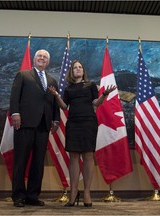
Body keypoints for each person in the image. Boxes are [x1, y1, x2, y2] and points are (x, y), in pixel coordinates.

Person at [48, 60, 116, 207]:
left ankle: (86, 192)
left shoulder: (90, 85)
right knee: (73, 156)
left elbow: (96, 103)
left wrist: (104, 94)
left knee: (88, 155)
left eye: (80, 67)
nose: (78, 69)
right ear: (72, 72)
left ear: (83, 71)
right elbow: (64, 107)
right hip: (73, 123)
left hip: (88, 122)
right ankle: (73, 191)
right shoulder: (68, 88)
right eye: (75, 68)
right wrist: (56, 95)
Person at [10, 49, 60, 207]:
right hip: (24, 123)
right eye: (40, 56)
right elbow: (14, 96)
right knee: (20, 161)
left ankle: (32, 195)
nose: (42, 58)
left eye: (45, 57)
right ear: (34, 59)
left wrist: (56, 120)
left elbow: (54, 102)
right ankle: (18, 196)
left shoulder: (52, 80)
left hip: (43, 126)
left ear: (48, 62)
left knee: (38, 162)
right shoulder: (23, 75)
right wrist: (15, 113)